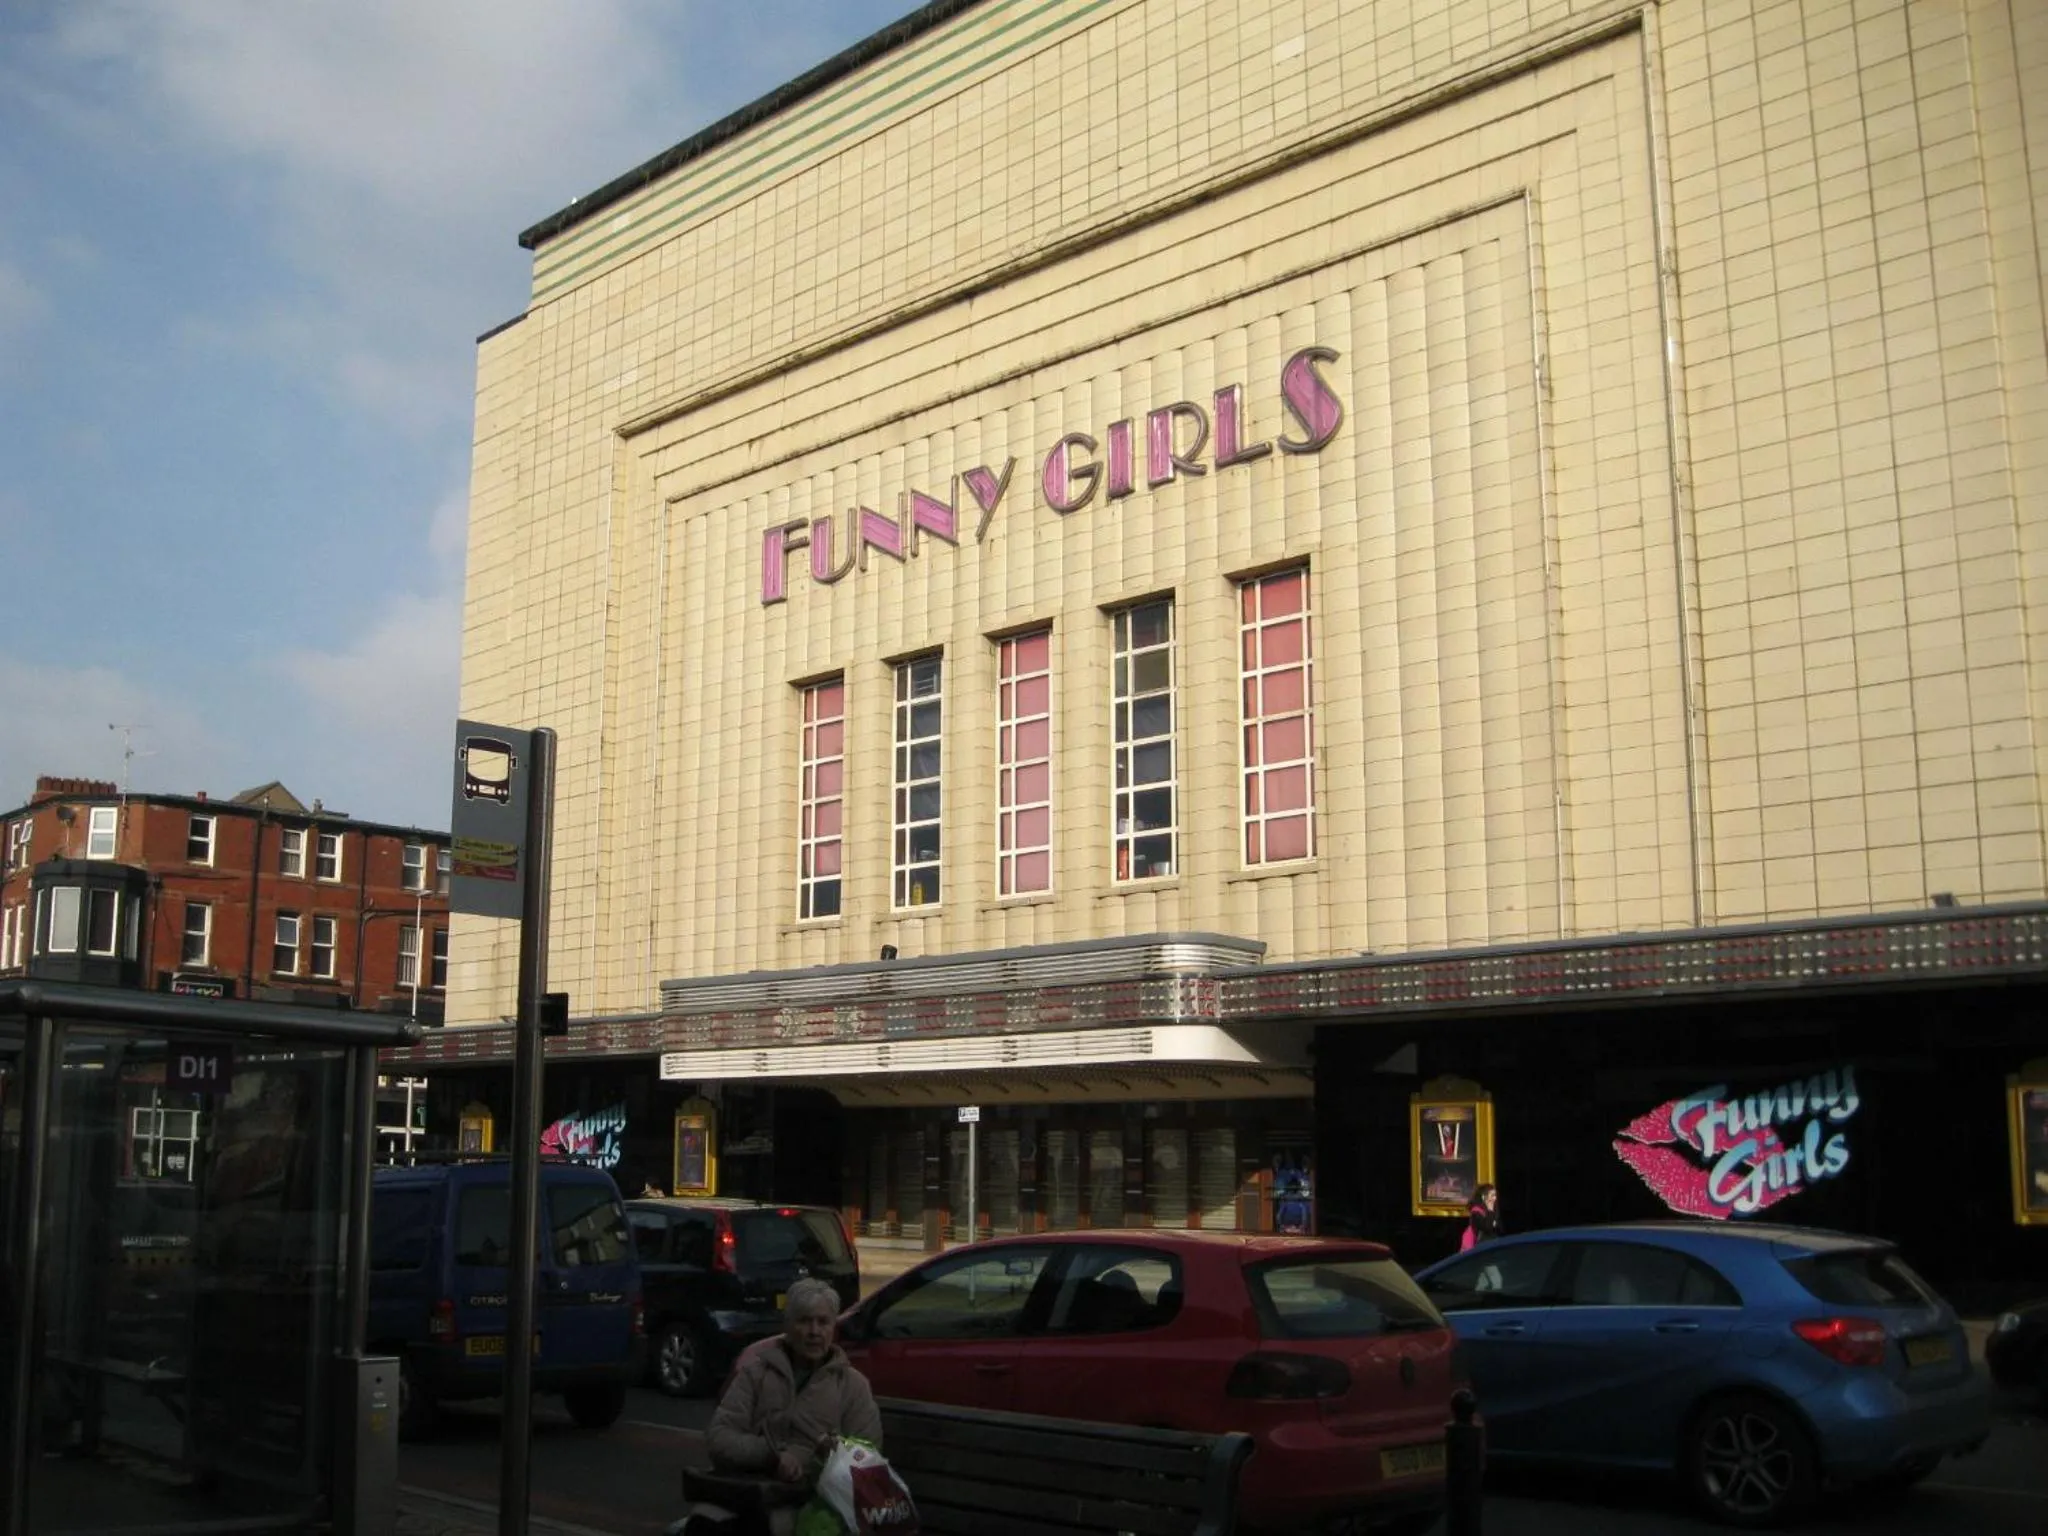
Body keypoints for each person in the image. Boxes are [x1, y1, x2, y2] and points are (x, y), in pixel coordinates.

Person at [693, 1277, 881, 1536]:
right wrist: (771, 1457)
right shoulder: (757, 1374)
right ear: (788, 1326)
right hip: (749, 1489)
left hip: (812, 1504)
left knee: (761, 1528)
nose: (814, 1331)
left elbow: (868, 1459)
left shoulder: (852, 1386)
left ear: (833, 1328)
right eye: (804, 1321)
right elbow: (718, 1436)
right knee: (703, 1522)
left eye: (823, 1322)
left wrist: (828, 1457)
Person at [1460, 1183, 1500, 1251]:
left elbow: (1500, 1228)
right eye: (1492, 1195)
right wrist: (1490, 1210)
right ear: (1483, 1197)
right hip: (1479, 1250)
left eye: (1495, 1195)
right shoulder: (1476, 1212)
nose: (1495, 1198)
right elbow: (1488, 1228)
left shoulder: (1493, 1210)